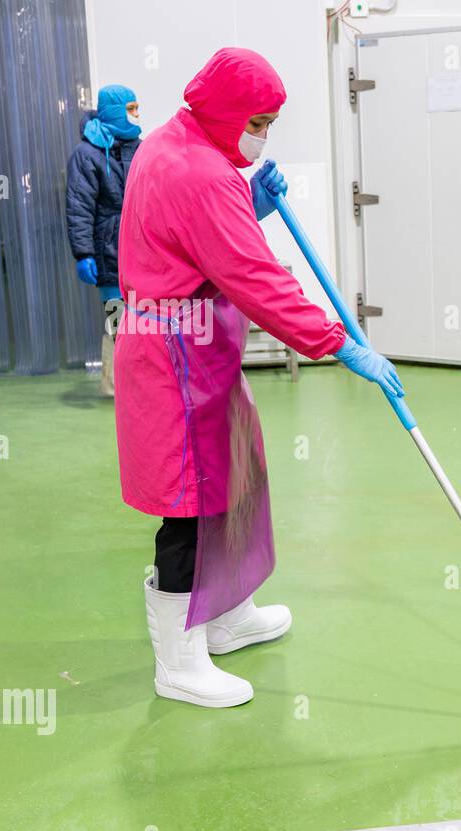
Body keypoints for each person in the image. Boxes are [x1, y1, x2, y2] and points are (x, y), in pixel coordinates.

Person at [115, 48, 404, 708]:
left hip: (196, 344)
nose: (264, 133)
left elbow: (197, 237)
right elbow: (254, 277)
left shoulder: (174, 142)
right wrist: (336, 342)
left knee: (235, 477)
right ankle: (179, 662)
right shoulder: (202, 172)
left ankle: (224, 615)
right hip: (174, 357)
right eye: (260, 120)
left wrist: (251, 200)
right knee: (189, 505)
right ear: (227, 112)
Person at [66, 84, 142, 396]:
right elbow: (79, 207)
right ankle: (114, 387)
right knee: (117, 320)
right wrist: (83, 253)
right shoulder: (87, 155)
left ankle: (141, 384)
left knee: (144, 321)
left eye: (137, 108)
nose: (137, 115)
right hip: (108, 248)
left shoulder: (141, 147)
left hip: (143, 247)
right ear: (114, 112)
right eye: (131, 109)